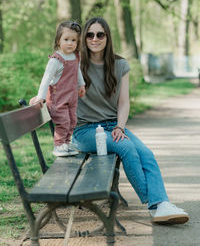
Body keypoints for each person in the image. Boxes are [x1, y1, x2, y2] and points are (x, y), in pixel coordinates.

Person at [72, 16, 189, 225]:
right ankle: (156, 205)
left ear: (107, 37)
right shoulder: (75, 63)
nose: (95, 39)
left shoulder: (120, 64)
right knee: (126, 147)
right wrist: (42, 95)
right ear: (84, 38)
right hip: (84, 131)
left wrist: (119, 126)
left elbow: (124, 103)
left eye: (100, 34)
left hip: (111, 125)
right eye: (90, 35)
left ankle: (161, 204)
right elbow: (53, 73)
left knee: (146, 154)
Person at [30, 21, 85, 157]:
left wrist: (81, 84)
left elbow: (77, 71)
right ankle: (59, 145)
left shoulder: (75, 56)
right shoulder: (56, 60)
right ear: (58, 40)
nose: (70, 43)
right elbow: (46, 79)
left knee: (72, 120)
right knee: (63, 121)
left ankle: (66, 144)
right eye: (66, 39)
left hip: (71, 97)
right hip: (57, 99)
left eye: (74, 40)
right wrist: (40, 96)